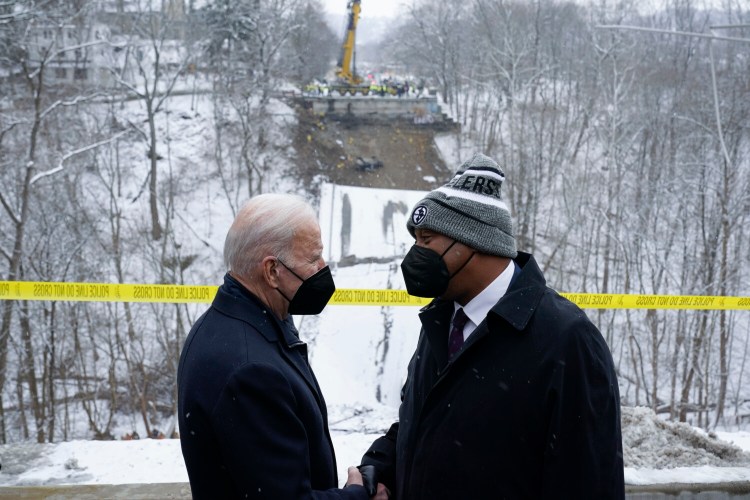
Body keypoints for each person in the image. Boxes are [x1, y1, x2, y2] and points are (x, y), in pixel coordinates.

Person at [361, 154, 625, 499]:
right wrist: (380, 465)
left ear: (475, 241)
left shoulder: (566, 339)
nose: (415, 253)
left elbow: (589, 480)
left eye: (427, 240)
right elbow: (424, 423)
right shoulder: (441, 322)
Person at [178, 193, 381, 499]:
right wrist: (357, 495)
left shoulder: (233, 324)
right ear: (272, 271)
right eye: (313, 258)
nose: (323, 267)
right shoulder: (251, 370)